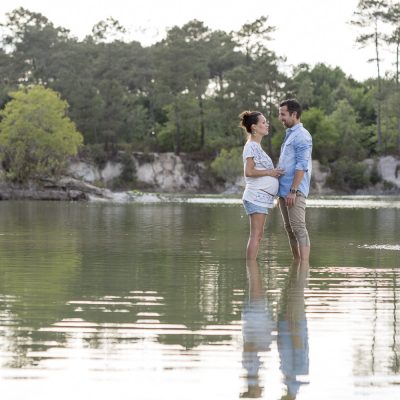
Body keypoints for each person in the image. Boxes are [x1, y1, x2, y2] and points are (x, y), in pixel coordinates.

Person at [239, 111, 284, 260]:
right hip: (255, 196)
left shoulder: (256, 147)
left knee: (258, 236)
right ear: (254, 127)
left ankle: (252, 270)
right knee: (256, 236)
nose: (267, 124)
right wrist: (271, 172)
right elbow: (249, 172)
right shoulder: (251, 146)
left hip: (261, 198)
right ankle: (251, 270)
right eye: (263, 122)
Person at [277, 99, 312, 263]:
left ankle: (304, 265)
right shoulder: (290, 134)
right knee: (289, 229)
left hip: (294, 192)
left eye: (283, 114)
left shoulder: (302, 136)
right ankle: (296, 264)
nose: (280, 118)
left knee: (298, 228)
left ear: (294, 114)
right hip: (284, 192)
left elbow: (302, 166)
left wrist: (293, 191)